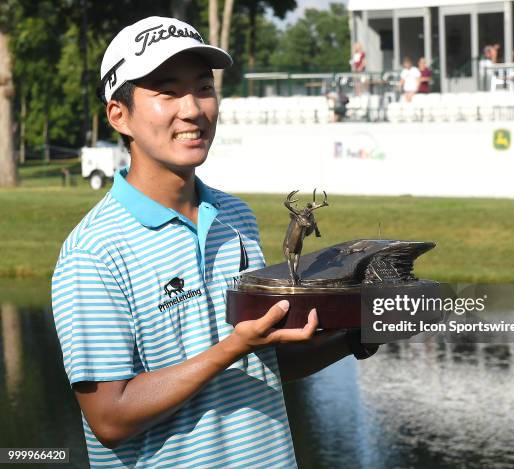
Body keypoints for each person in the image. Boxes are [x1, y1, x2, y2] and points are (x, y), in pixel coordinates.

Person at [51, 16, 377, 468]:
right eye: (167, 91)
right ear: (118, 115)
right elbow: (110, 417)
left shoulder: (235, 215)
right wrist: (233, 347)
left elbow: (263, 360)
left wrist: (361, 332)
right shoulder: (93, 252)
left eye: (203, 88)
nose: (193, 109)